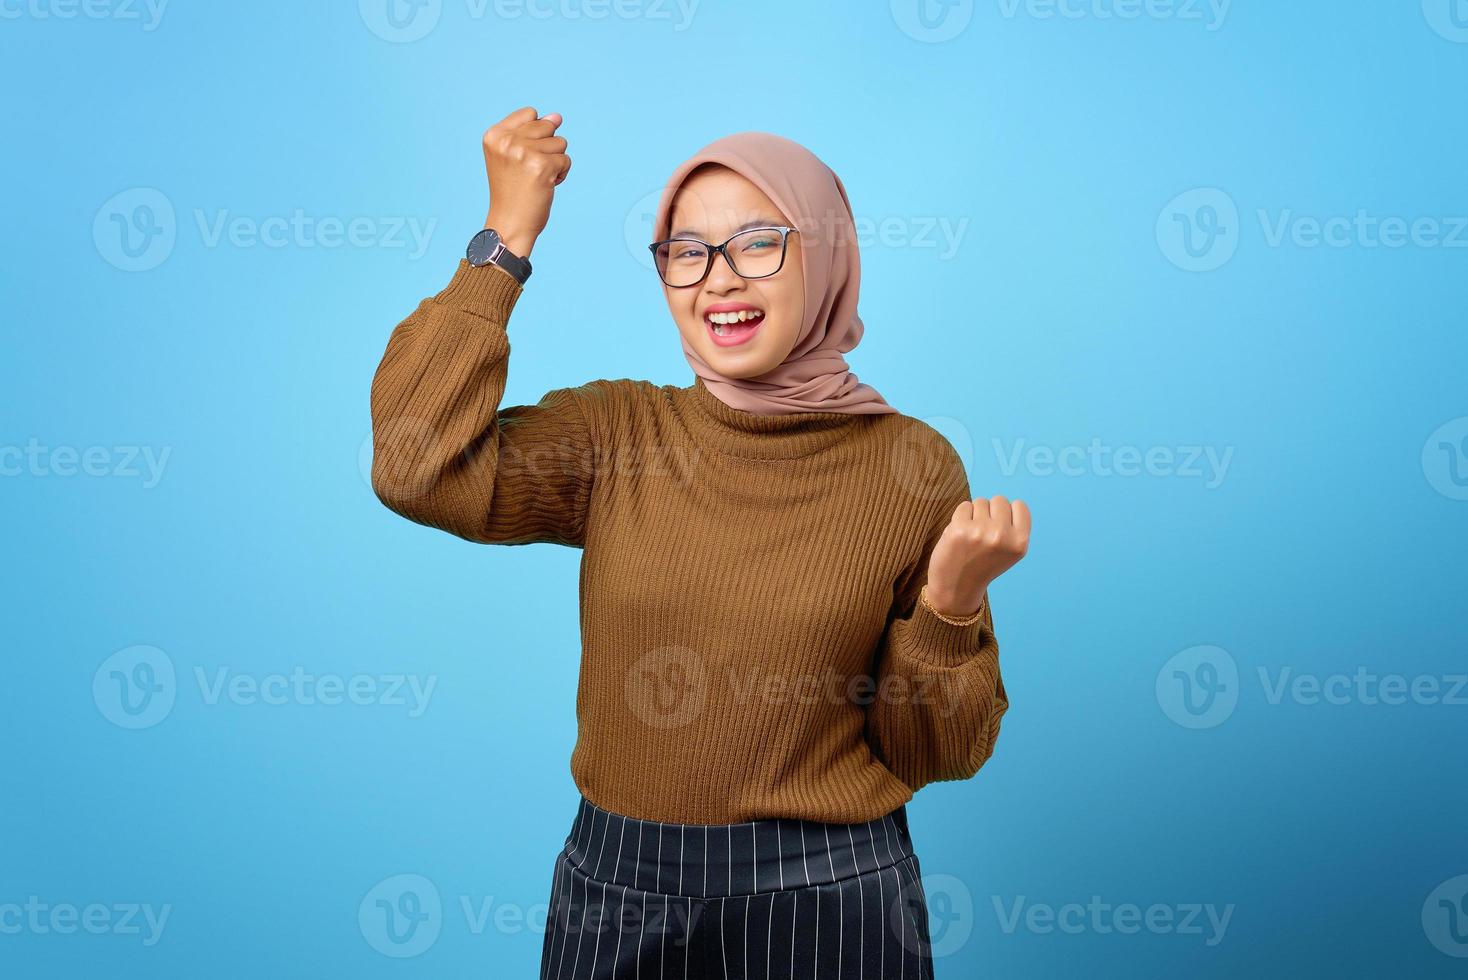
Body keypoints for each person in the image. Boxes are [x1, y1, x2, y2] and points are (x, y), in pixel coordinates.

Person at [368, 106, 1032, 979]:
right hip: (621, 892)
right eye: (687, 251)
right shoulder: (615, 432)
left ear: (826, 255)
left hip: (832, 896)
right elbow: (414, 467)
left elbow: (931, 755)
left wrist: (950, 609)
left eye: (759, 243)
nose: (718, 279)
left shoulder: (910, 465)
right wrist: (506, 237)